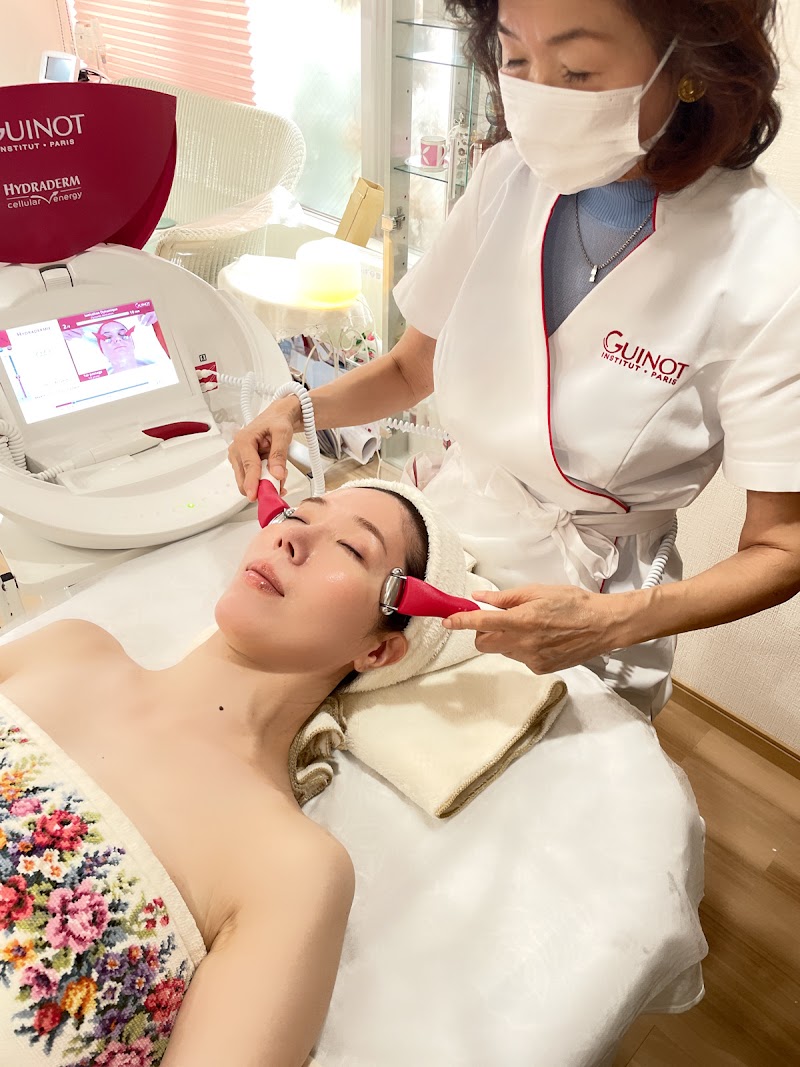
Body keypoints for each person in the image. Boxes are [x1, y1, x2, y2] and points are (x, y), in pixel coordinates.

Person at [228, 0, 800, 717]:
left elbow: (783, 548)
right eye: (515, 58)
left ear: (690, 65)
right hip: (445, 538)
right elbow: (410, 369)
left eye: (577, 69)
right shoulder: (506, 178)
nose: (534, 96)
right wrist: (296, 409)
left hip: (594, 599)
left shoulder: (770, 263)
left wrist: (610, 623)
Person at [0, 484, 427, 1067]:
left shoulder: (291, 869)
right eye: (297, 513)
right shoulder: (67, 649)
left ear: (378, 652)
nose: (293, 536)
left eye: (352, 549)